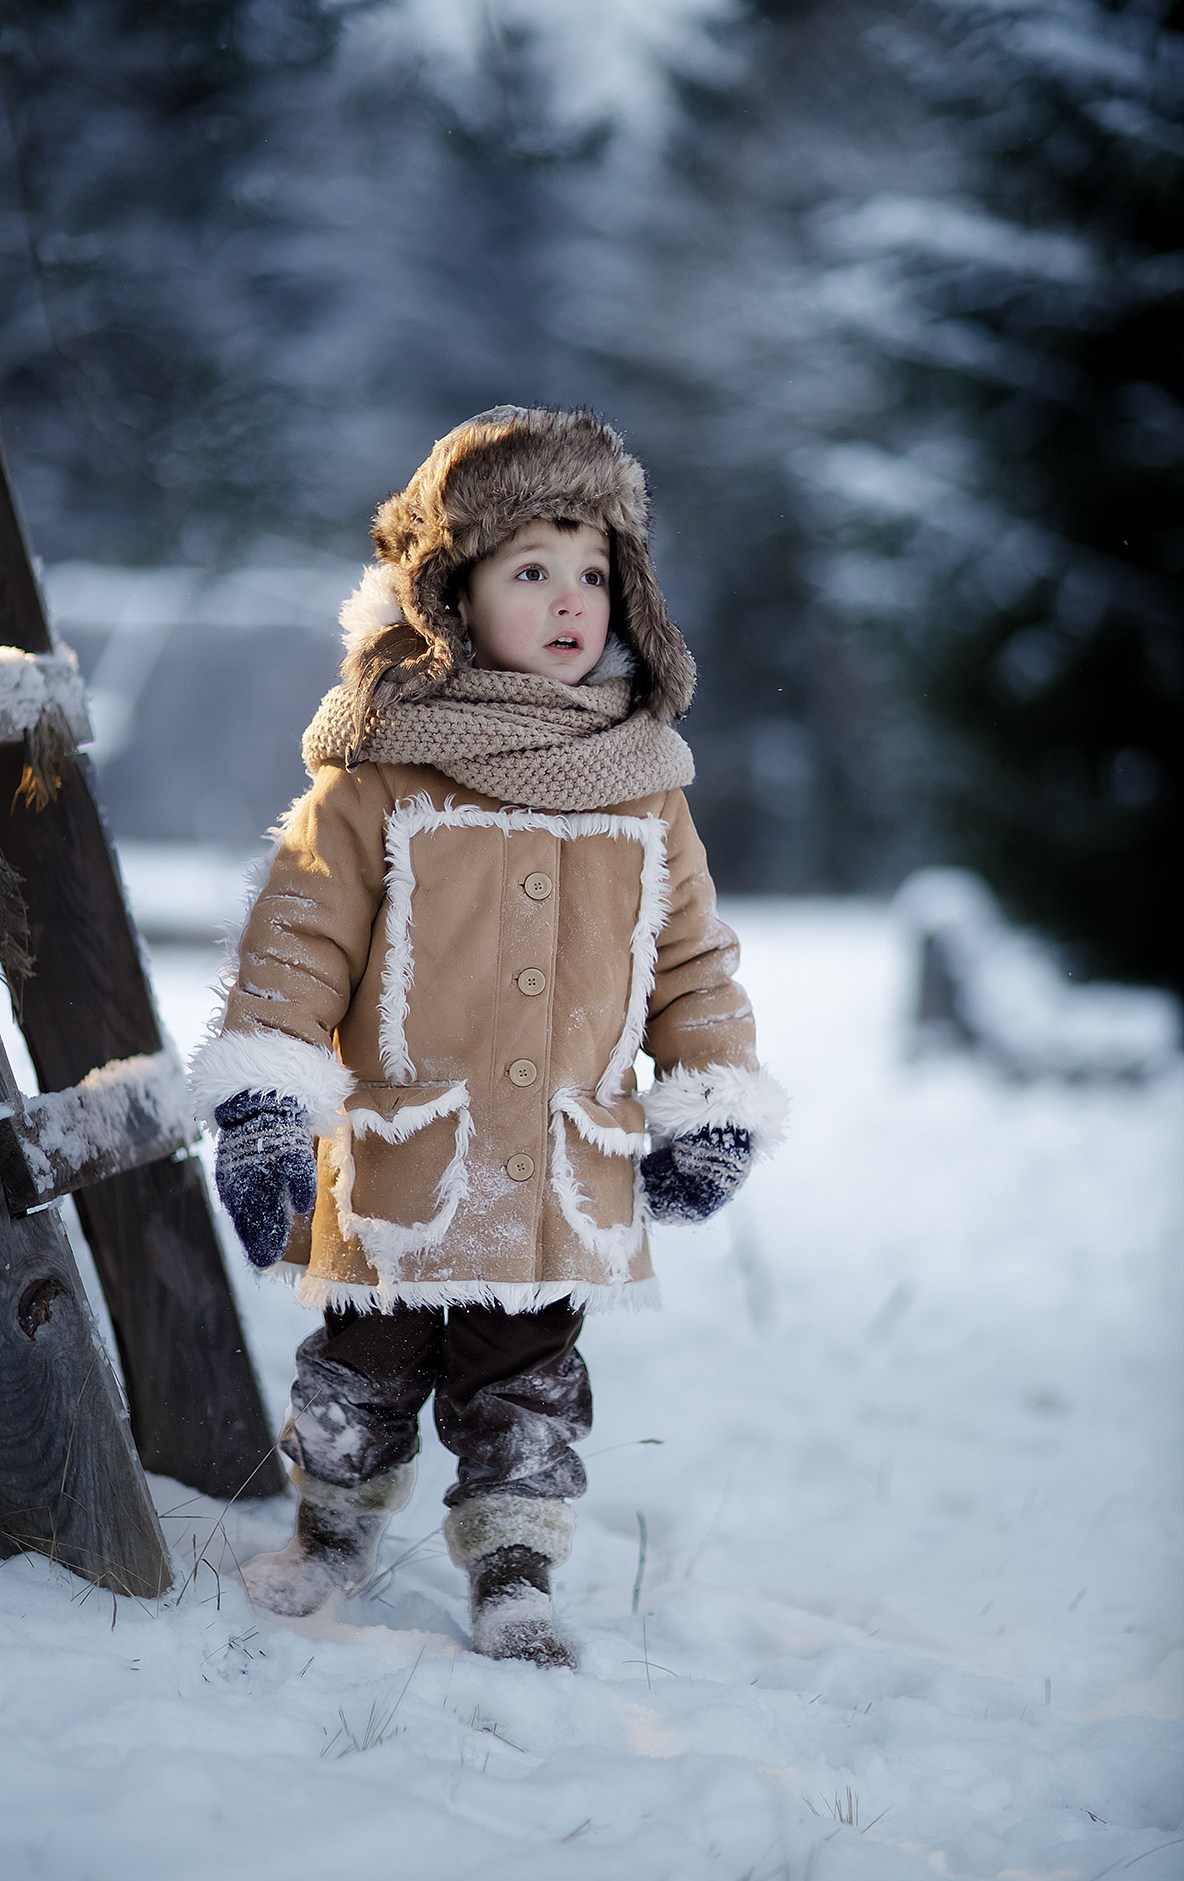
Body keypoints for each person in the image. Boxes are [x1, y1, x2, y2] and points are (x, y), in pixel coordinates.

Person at [189, 405, 787, 1668]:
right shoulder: (380, 776)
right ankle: (332, 1529)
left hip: (558, 1172)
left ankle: (515, 1571)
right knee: (361, 1374)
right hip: (411, 1163)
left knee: (527, 1386)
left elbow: (690, 964)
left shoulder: (641, 780)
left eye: (591, 573)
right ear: (451, 593)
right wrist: (259, 1104)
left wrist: (713, 1097)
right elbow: (296, 946)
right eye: (530, 572)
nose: (570, 600)